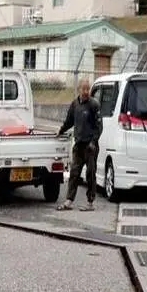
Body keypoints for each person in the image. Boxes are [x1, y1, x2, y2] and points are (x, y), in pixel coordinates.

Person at [55, 78, 102, 211]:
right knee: (74, 173)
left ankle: (90, 202)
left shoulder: (94, 105)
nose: (86, 91)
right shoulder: (75, 104)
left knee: (90, 173)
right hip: (78, 144)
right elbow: (69, 121)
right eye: (84, 89)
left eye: (88, 89)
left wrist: (94, 142)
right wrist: (60, 130)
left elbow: (99, 127)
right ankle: (69, 200)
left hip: (90, 146)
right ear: (79, 90)